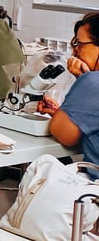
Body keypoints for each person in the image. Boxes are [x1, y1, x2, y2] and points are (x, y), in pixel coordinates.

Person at [38, 12, 99, 169]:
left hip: (94, 180)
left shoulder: (91, 82)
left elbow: (64, 135)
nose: (74, 52)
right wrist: (65, 114)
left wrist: (83, 80)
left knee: (42, 167)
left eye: (79, 44)